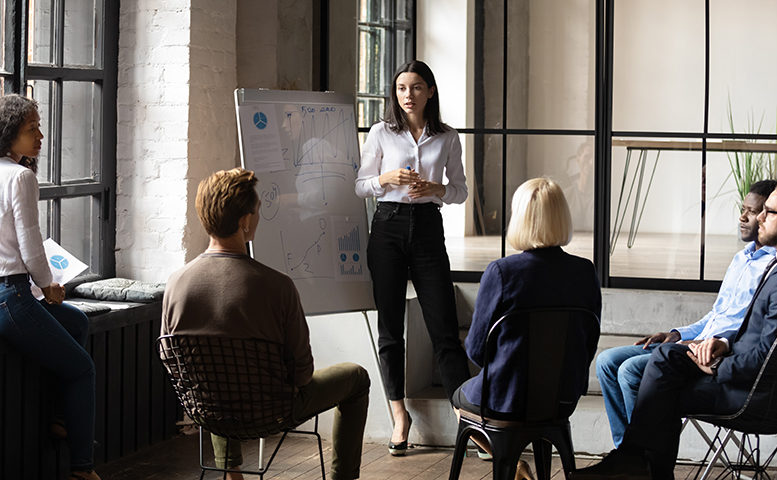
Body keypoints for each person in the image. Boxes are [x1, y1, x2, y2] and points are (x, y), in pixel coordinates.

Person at [162, 168, 370, 480]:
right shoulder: (277, 286)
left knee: (217, 374)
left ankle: (232, 473)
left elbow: (173, 360)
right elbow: (301, 374)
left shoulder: (176, 283)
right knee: (356, 378)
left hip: (209, 411)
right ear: (245, 222)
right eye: (257, 210)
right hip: (273, 412)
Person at [574, 184, 777, 479]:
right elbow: (721, 317)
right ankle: (631, 457)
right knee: (614, 361)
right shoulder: (751, 262)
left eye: (766, 212)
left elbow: (762, 352)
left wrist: (719, 356)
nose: (754, 218)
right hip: (713, 350)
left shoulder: (775, 274)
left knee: (638, 370)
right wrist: (679, 333)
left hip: (740, 383)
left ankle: (643, 463)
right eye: (748, 210)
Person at [355, 59, 471, 455]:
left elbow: (460, 191)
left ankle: (465, 419)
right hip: (386, 227)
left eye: (417, 87)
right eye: (402, 88)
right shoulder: (381, 133)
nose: (408, 95)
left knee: (443, 327)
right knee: (390, 328)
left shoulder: (448, 137)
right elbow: (359, 186)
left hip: (426, 228)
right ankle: (399, 416)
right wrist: (384, 180)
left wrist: (437, 189)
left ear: (430, 92)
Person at [452, 178, 601, 479]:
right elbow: (588, 343)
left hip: (506, 399)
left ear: (519, 218)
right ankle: (518, 465)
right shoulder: (585, 272)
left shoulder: (502, 272)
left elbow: (477, 351)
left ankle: (512, 463)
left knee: (458, 400)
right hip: (562, 399)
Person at [0, 94, 99, 480]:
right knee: (83, 369)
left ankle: (60, 418)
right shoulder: (21, 176)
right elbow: (30, 243)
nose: (40, 136)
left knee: (77, 323)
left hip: (9, 296)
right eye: (31, 129)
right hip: (13, 297)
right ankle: (82, 468)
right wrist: (50, 286)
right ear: (10, 136)